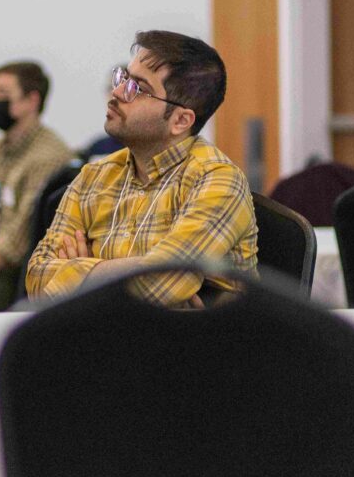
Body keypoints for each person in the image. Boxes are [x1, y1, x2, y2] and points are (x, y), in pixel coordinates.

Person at [26, 30, 257, 307]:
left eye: (138, 88)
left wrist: (80, 270)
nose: (117, 92)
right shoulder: (94, 176)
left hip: (197, 346)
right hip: (110, 340)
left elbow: (162, 284)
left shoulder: (217, 181)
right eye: (123, 78)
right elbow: (37, 280)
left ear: (180, 121)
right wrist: (135, 270)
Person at [0, 61, 73, 310]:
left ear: (32, 100)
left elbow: (16, 247)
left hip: (9, 274)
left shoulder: (49, 157)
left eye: (3, 94)